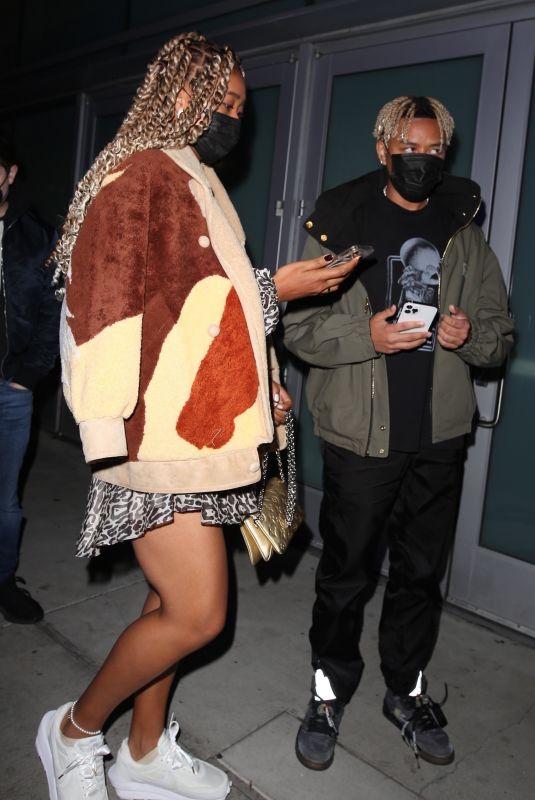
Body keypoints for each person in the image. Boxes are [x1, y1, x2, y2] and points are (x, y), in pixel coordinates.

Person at [34, 33, 359, 800]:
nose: (235, 119)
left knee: (166, 601)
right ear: (179, 94)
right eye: (225, 102)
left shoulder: (192, 176)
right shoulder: (139, 173)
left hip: (200, 428)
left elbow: (206, 306)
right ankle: (74, 731)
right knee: (199, 613)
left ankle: (144, 754)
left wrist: (260, 387)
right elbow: (104, 308)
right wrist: (107, 432)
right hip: (155, 434)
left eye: (242, 107)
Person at [283, 95, 514, 770]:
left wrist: (469, 337)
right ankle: (327, 692)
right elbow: (296, 327)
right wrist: (367, 334)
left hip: (437, 437)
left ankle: (404, 689)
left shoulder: (463, 235)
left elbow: (499, 336)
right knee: (345, 578)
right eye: (409, 149)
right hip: (360, 439)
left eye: (434, 151)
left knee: (419, 576)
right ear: (382, 149)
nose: (422, 161)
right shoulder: (340, 226)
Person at [0, 137, 59, 624]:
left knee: (5, 504)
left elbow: (54, 309)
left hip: (10, 390)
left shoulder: (37, 235)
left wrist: (29, 376)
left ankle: (3, 580)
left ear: (10, 174)